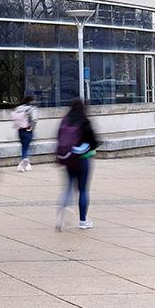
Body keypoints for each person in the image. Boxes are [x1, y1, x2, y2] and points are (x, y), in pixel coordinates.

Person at [55, 99, 99, 231]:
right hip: (83, 159)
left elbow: (58, 138)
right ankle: (83, 220)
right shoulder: (85, 121)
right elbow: (94, 141)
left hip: (68, 158)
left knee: (68, 186)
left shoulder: (65, 120)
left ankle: (62, 212)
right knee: (83, 190)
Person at [11, 95, 38, 171]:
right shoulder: (32, 109)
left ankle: (27, 164)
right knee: (26, 147)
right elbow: (34, 120)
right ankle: (23, 163)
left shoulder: (18, 108)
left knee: (24, 146)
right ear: (30, 101)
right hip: (28, 129)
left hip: (20, 129)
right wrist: (32, 128)